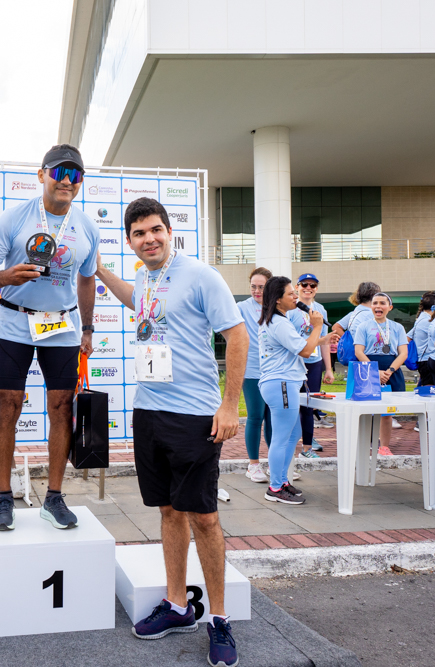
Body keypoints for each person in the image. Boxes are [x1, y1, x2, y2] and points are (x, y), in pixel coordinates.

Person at [95, 197, 246, 667]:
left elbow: (237, 336)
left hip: (195, 416)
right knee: (167, 510)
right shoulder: (145, 278)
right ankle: (178, 605)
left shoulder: (201, 275)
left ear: (169, 230)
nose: (149, 239)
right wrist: (100, 270)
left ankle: (218, 618)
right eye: (139, 234)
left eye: (155, 230)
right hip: (149, 411)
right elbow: (136, 300)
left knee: (204, 517)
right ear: (130, 240)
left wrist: (229, 405)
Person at [0, 144, 99, 531]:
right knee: (7, 407)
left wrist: (88, 328)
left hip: (61, 328)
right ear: (42, 174)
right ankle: (4, 496)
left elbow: (87, 279)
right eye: (59, 172)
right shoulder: (15, 218)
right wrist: (6, 276)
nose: (67, 180)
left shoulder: (87, 226)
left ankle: (54, 497)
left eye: (75, 175)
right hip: (15, 323)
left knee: (61, 409)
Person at [258, 276, 334, 506]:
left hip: (284, 382)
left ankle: (282, 481)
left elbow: (300, 346)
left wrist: (322, 339)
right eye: (291, 293)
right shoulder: (279, 322)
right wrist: (317, 326)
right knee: (282, 436)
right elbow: (304, 351)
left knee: (293, 433)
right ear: (277, 299)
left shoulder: (277, 320)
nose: (295, 296)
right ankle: (274, 487)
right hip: (281, 382)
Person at [353, 293, 409, 456]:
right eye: (375, 303)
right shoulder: (363, 326)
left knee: (387, 412)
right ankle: (364, 444)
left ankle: (384, 447)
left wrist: (389, 371)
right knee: (366, 410)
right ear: (371, 307)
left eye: (382, 303)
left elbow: (403, 353)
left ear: (390, 307)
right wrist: (374, 372)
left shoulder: (397, 327)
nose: (378, 306)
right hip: (368, 369)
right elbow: (359, 351)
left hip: (391, 370)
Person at [288, 273, 333, 458]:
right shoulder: (290, 309)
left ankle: (307, 446)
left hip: (314, 363)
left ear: (316, 289)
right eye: (304, 284)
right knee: (291, 406)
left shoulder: (320, 309)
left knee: (309, 405)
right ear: (297, 287)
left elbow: (324, 341)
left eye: (312, 285)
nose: (308, 288)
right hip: (293, 363)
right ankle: (289, 444)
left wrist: (328, 369)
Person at [237, 267, 273, 482]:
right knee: (255, 416)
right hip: (251, 369)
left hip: (274, 370)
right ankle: (253, 465)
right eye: (253, 287)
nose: (257, 291)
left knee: (272, 418)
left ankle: (275, 464)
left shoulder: (277, 306)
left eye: (261, 287)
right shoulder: (241, 307)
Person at [409, 291, 435, 386]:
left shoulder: (421, 318)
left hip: (424, 359)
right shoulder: (428, 321)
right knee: (430, 390)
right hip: (427, 359)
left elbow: (408, 336)